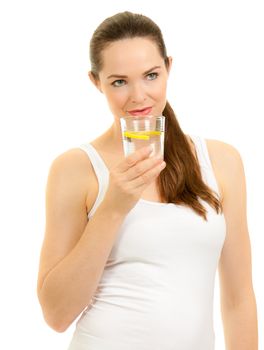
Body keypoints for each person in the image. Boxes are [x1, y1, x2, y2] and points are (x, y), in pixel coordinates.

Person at [37, 11, 258, 350]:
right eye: (119, 82)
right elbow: (57, 314)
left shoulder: (221, 161)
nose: (139, 96)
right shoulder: (75, 168)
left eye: (151, 75)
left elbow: (239, 300)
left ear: (168, 67)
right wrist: (113, 207)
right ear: (96, 82)